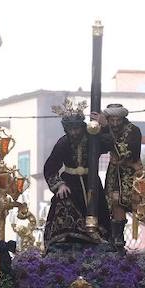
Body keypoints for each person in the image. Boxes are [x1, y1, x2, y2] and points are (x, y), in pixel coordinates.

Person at [43, 105, 109, 246]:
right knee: (61, 200)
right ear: (66, 129)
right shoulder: (63, 143)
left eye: (77, 128)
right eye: (71, 129)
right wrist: (59, 185)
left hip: (91, 182)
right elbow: (50, 167)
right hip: (70, 183)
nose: (74, 133)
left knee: (99, 210)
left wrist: (105, 125)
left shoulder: (93, 138)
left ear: (82, 126)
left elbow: (109, 143)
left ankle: (100, 238)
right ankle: (63, 239)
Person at [98, 103, 143, 246]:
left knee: (120, 200)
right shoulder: (105, 129)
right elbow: (103, 146)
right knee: (112, 201)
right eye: (112, 120)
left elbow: (125, 153)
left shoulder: (134, 131)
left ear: (123, 119)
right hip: (113, 171)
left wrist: (106, 129)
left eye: (118, 120)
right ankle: (114, 236)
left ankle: (118, 236)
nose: (115, 123)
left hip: (129, 172)